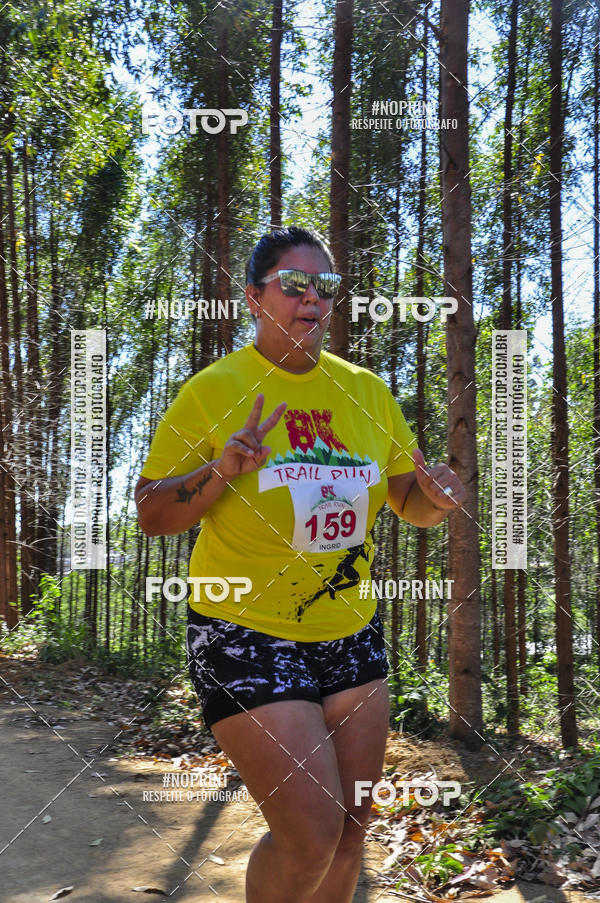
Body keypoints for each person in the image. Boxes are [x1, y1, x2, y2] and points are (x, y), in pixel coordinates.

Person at [135, 226, 465, 903]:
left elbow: (408, 499)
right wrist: (222, 469)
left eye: (326, 286)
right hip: (244, 630)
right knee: (310, 835)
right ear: (254, 297)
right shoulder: (213, 389)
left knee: (350, 830)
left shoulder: (366, 391)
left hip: (350, 632)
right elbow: (152, 512)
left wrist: (435, 500)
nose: (312, 298)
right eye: (293, 284)